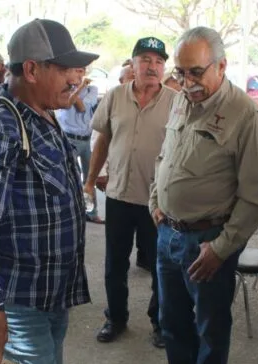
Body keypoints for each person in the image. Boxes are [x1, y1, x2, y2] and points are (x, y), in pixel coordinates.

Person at [0, 19, 98, 364]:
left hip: (51, 295)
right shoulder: (1, 127)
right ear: (31, 69)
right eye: (64, 70)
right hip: (18, 304)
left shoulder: (43, 115)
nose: (75, 79)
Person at [150, 27, 258, 364]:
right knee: (172, 326)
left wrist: (221, 249)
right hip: (168, 234)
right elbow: (164, 158)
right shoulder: (182, 100)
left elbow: (253, 200)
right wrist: (156, 199)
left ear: (222, 65)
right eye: (181, 73)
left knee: (210, 331)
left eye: (196, 72)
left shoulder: (245, 115)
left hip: (209, 241)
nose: (187, 83)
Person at [86, 37, 178, 348]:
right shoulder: (114, 96)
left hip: (157, 202)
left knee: (158, 267)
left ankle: (160, 322)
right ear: (133, 63)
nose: (153, 67)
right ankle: (116, 317)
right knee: (115, 264)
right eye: (146, 60)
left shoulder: (176, 102)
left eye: (159, 61)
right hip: (119, 196)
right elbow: (102, 141)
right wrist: (90, 179)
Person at [55, 66, 100, 220]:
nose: (80, 75)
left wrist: (76, 90)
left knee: (90, 178)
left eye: (82, 72)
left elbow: (81, 107)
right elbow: (69, 103)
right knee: (70, 176)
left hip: (86, 138)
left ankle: (91, 213)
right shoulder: (63, 88)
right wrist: (79, 88)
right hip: (69, 138)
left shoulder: (92, 90)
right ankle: (71, 213)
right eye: (77, 71)